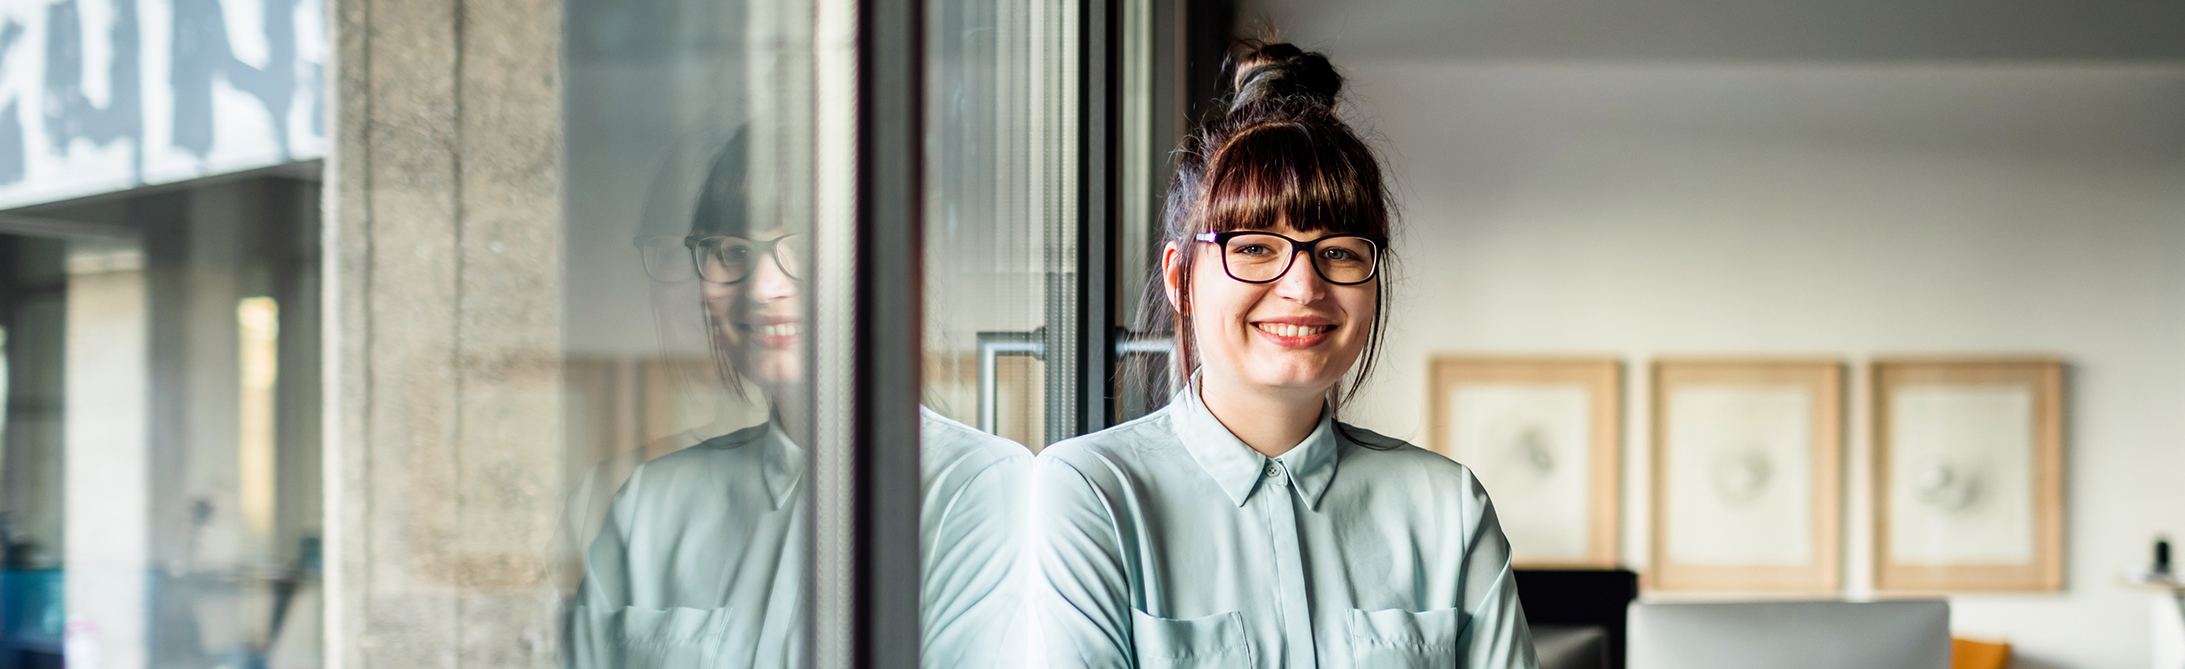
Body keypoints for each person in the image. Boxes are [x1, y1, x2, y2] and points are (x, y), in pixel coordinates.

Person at [1029, 41, 1538, 668]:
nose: (1304, 287)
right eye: (1254, 247)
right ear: (1180, 278)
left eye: (1341, 251)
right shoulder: (1094, 494)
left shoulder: (1447, 508)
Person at [567, 128, 1031, 668]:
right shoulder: (649, 505)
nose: (762, 288)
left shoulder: (979, 488)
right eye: (731, 251)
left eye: (806, 248)